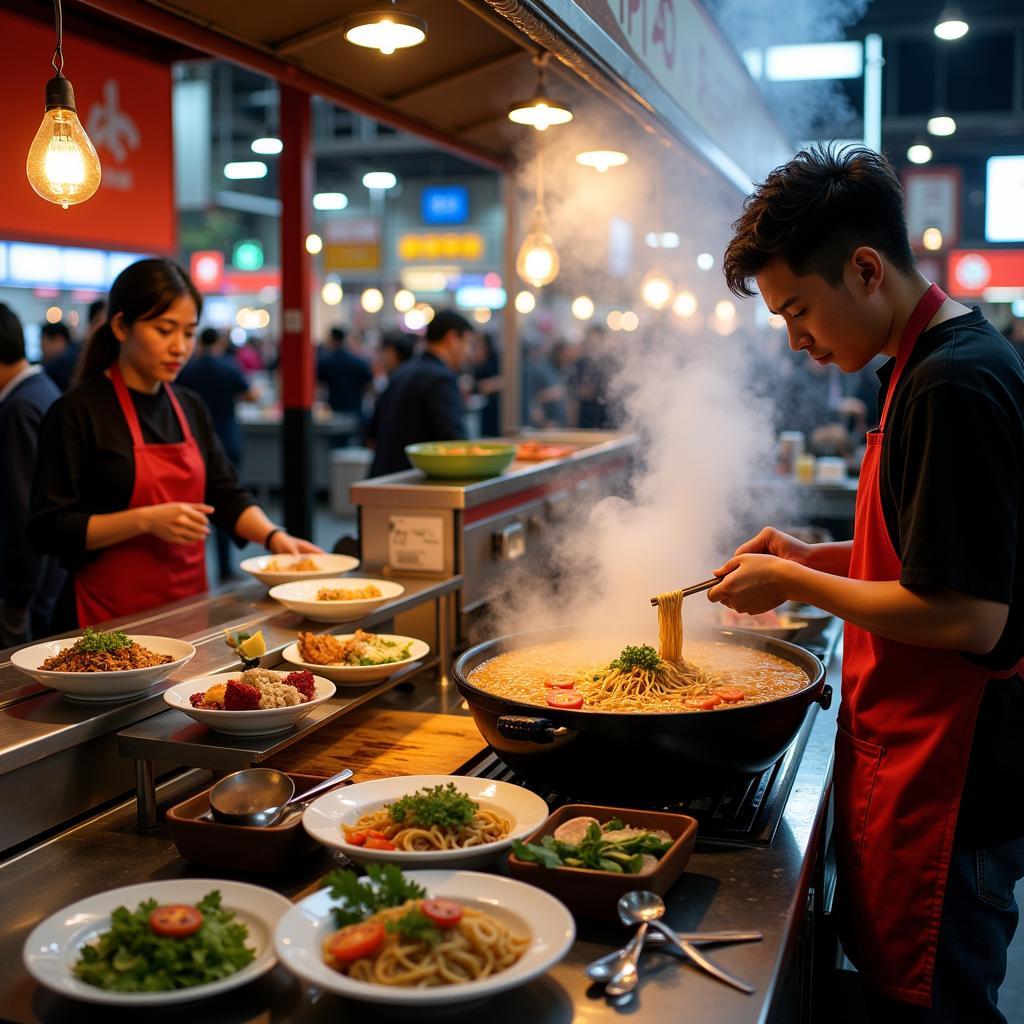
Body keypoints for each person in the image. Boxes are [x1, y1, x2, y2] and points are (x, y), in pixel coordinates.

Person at [711, 144, 1024, 1022]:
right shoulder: (922, 362)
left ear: (864, 268)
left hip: (952, 779)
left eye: (799, 309)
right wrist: (812, 558)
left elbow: (966, 612)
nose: (796, 338)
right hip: (917, 755)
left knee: (943, 1007)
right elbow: (932, 552)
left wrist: (796, 586)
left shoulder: (952, 382)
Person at [27, 258, 320, 631]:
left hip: (187, 611)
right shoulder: (77, 410)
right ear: (120, 326)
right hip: (105, 620)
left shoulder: (188, 405)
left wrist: (274, 537)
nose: (179, 347)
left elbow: (225, 493)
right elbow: (47, 527)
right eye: (165, 330)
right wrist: (146, 520)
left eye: (189, 332)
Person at [0, 304, 64, 646]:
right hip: (45, 577)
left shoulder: (18, 408)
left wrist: (17, 596)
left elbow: (21, 508)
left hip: (29, 586)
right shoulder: (41, 389)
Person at [176, 327, 256, 583]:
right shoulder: (228, 367)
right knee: (222, 502)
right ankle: (224, 566)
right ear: (220, 343)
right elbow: (252, 394)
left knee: (193, 507)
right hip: (228, 440)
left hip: (191, 444)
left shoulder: (188, 371)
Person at [366, 309, 471, 477]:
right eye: (467, 343)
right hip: (415, 485)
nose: (468, 352)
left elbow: (371, 436)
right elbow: (454, 443)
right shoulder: (441, 379)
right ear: (452, 338)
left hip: (380, 481)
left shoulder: (401, 371)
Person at [317, 325, 373, 445]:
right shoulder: (358, 361)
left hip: (334, 411)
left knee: (335, 448)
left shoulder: (326, 362)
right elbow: (369, 385)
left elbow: (318, 386)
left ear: (332, 339)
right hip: (356, 410)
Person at [471, 332, 503, 436]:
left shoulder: (496, 361)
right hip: (482, 412)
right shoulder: (475, 364)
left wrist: (481, 386)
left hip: (499, 411)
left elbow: (504, 381)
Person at [40, 320, 80, 393]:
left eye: (44, 343)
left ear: (59, 339)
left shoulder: (60, 364)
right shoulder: (77, 351)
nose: (42, 349)